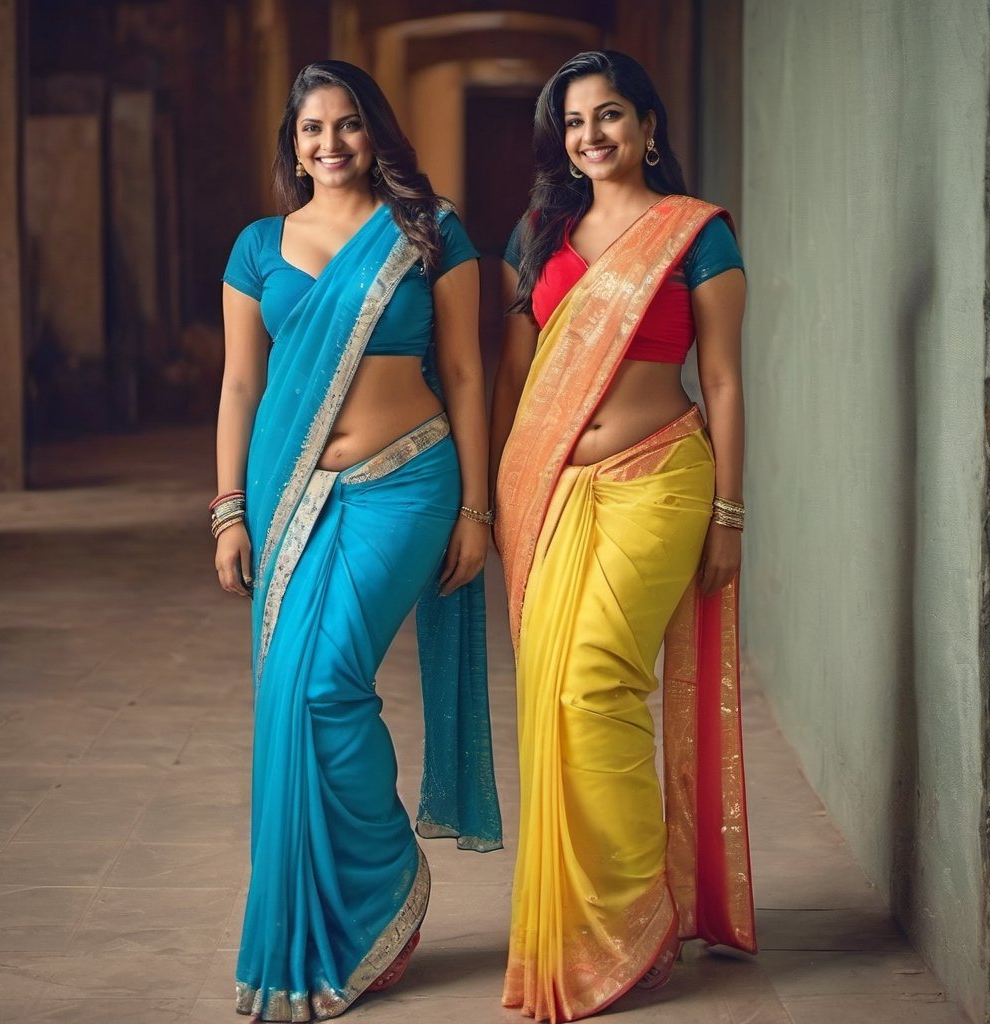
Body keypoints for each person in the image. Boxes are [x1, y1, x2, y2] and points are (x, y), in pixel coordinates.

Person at [213, 60, 502, 1022]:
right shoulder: (258, 248)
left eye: (346, 126)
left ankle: (383, 887)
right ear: (291, 145)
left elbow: (464, 370)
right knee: (291, 698)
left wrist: (475, 506)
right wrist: (227, 508)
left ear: (374, 132)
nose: (329, 145)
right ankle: (341, 922)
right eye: (310, 131)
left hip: (409, 483)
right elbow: (242, 389)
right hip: (291, 495)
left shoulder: (429, 230)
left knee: (330, 682)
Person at [490, 50, 757, 1023]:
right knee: (552, 698)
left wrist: (731, 511)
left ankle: (636, 915)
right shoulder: (539, 232)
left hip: (663, 477)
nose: (590, 135)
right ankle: (600, 919)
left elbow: (723, 381)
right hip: (556, 487)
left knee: (596, 676)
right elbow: (517, 377)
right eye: (572, 122)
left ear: (647, 127)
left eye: (609, 116)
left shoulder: (696, 237)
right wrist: (496, 499)